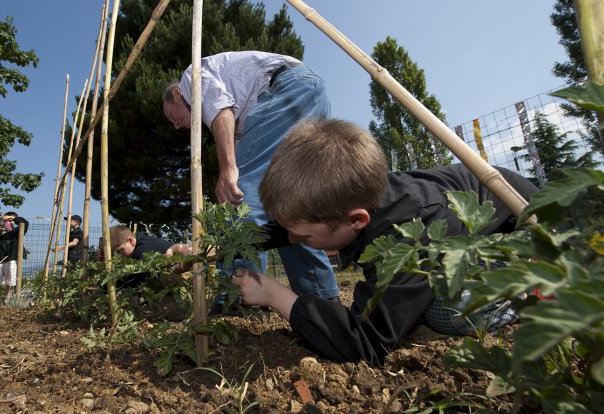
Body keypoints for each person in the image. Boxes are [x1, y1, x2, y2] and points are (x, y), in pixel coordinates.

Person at [231, 119, 539, 364]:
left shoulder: (407, 234)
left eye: (304, 236)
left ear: (356, 220)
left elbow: (368, 342)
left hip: (527, 233)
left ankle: (534, 291)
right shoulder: (353, 197)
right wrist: (219, 246)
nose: (293, 240)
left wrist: (275, 295)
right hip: (481, 224)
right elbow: (287, 228)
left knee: (447, 310)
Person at [162, 51, 339, 302]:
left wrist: (229, 171)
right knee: (292, 207)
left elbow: (221, 110)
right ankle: (321, 298)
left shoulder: (191, 77)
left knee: (239, 197)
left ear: (178, 94)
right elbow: (243, 145)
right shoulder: (243, 116)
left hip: (288, 88)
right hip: (312, 96)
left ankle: (237, 298)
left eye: (172, 116)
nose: (175, 125)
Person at [0, 212, 29, 306]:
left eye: (11, 220)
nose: (9, 222)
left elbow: (25, 223)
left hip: (12, 259)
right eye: (7, 220)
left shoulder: (17, 231)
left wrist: (12, 218)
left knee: (10, 282)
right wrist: (1, 219)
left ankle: (7, 302)